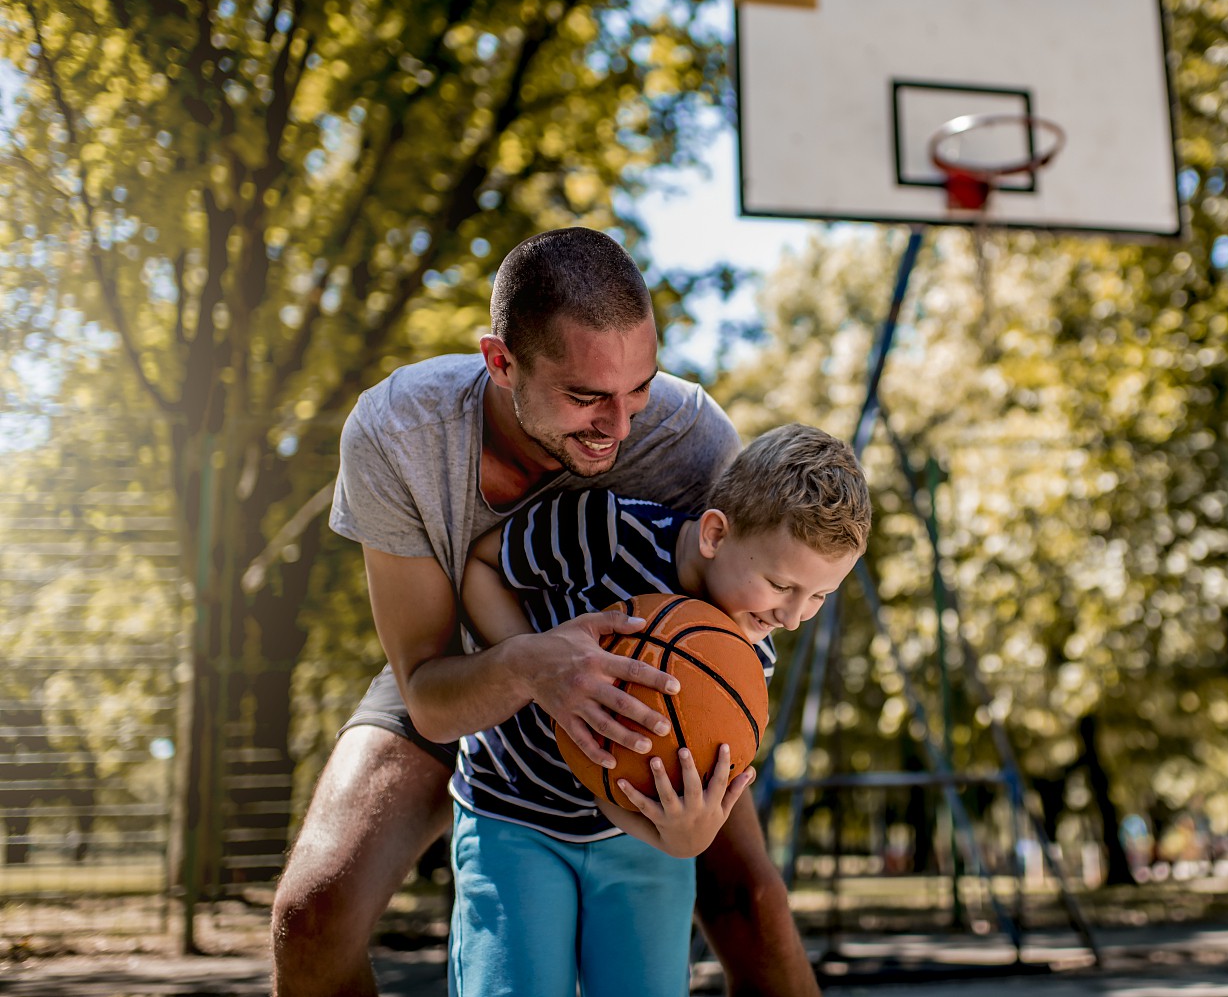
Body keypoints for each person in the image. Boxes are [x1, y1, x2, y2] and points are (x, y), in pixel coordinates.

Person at [271, 228, 821, 997]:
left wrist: (687, 810)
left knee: (752, 903)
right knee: (313, 915)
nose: (620, 424)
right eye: (587, 396)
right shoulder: (399, 432)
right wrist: (535, 661)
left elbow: (734, 633)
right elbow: (427, 689)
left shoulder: (693, 436)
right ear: (501, 362)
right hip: (464, 662)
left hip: (644, 678)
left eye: (639, 388)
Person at [449, 424, 869, 995]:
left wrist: (683, 838)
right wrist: (536, 667)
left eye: (818, 597)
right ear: (716, 533)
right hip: (514, 813)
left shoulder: (747, 660)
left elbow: (675, 792)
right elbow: (484, 565)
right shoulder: (607, 531)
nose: (793, 617)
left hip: (639, 846)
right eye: (779, 584)